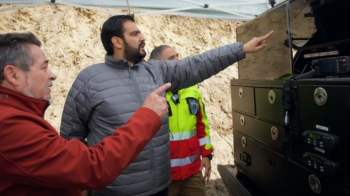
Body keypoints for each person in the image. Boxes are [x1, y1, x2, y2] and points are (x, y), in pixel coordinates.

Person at [60, 15, 273, 196]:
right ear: (117, 41)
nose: (142, 37)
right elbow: (71, 137)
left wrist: (241, 49)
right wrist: (79, 184)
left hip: (159, 188)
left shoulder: (156, 71)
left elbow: (196, 65)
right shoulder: (89, 79)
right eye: (134, 34)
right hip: (113, 191)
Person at [0, 32, 171, 196]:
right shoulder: (10, 125)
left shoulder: (15, 115)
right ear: (13, 75)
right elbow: (92, 166)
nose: (52, 75)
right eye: (44, 67)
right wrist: (147, 116)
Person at [150, 45, 213, 196]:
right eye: (172, 58)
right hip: (163, 177)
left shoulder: (192, 89)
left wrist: (206, 154)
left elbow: (201, 124)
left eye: (178, 55)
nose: (179, 60)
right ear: (159, 65)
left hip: (192, 172)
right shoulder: (152, 93)